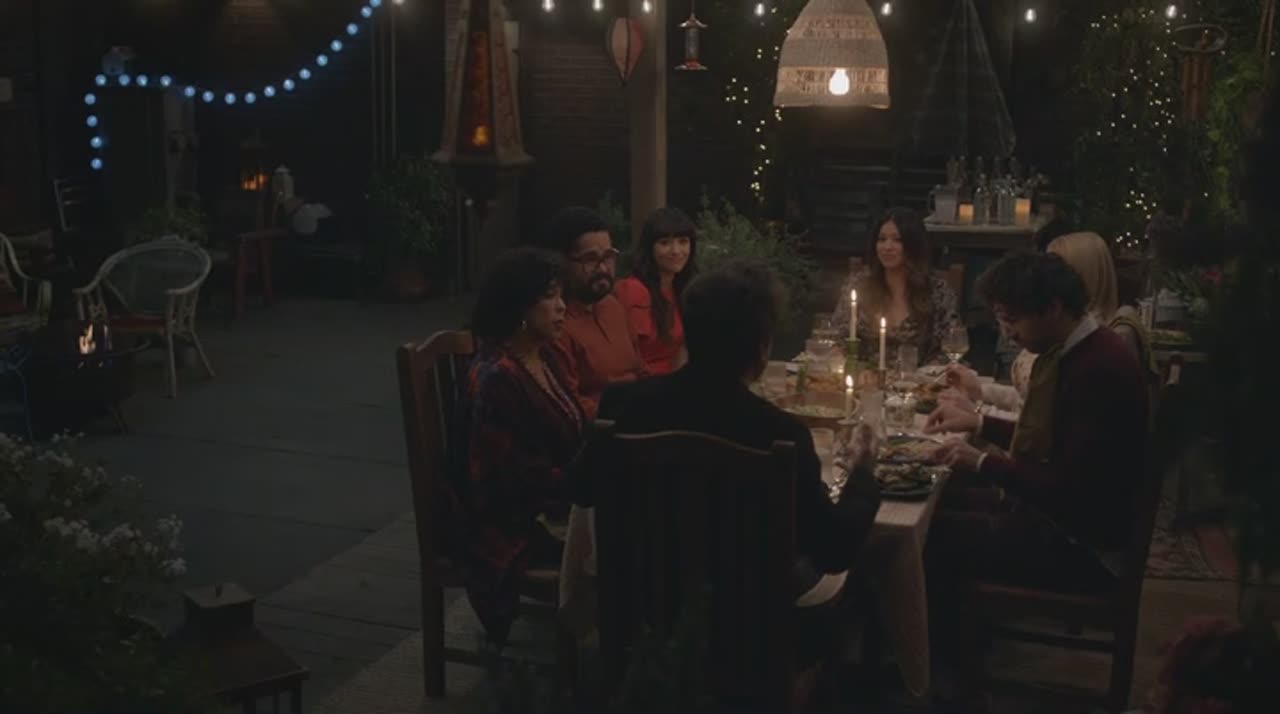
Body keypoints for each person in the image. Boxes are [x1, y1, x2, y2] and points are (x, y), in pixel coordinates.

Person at [574, 260, 883, 666]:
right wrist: (864, 475)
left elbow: (581, 488)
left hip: (642, 613)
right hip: (746, 635)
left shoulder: (624, 406)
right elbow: (834, 549)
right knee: (860, 582)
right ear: (762, 348)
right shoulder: (779, 433)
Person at [921, 252, 1148, 710]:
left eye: (1013, 319)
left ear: (1053, 309)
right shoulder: (1083, 350)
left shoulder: (1097, 369)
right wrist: (980, 425)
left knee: (931, 539)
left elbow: (1069, 489)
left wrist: (982, 462)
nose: (1008, 333)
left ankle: (945, 681)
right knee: (941, 504)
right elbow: (1056, 446)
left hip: (1085, 548)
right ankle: (958, 652)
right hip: (1069, 523)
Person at [449, 247, 584, 645]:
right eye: (550, 297)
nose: (562, 307)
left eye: (562, 296)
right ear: (520, 307)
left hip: (552, 501)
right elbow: (511, 480)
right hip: (513, 523)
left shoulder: (544, 356)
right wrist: (583, 486)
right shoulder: (499, 377)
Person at [946, 232, 1156, 414]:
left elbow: (1048, 442)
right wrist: (980, 395)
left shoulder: (1096, 363)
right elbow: (1032, 408)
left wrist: (979, 415)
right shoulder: (1069, 345)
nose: (1008, 333)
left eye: (1012, 319)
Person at [542, 206, 647, 419]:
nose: (603, 269)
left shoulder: (613, 306)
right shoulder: (554, 322)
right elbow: (570, 404)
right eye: (590, 259)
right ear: (561, 262)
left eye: (608, 257)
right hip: (605, 428)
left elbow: (640, 370)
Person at [831, 207, 961, 364]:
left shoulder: (937, 291)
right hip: (864, 376)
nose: (887, 247)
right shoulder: (859, 285)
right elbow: (837, 337)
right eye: (882, 239)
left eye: (897, 240)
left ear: (913, 245)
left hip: (920, 377)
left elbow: (950, 348)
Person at [614, 207, 698, 375]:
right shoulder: (634, 290)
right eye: (665, 243)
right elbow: (630, 356)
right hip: (642, 384)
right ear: (649, 248)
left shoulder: (682, 289)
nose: (676, 251)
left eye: (683, 241)